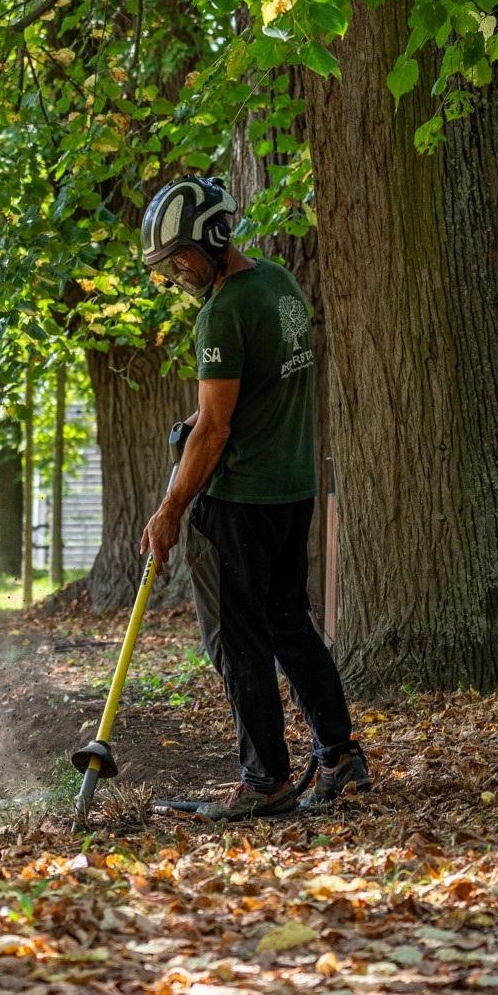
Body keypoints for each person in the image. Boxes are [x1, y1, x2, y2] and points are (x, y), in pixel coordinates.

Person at [136, 175, 369, 819]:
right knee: (291, 625)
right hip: (292, 492)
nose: (177, 269)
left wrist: (170, 510)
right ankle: (340, 757)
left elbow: (216, 428)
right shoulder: (279, 285)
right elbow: (244, 395)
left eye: (179, 255)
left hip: (236, 503)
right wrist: (200, 424)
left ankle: (265, 781)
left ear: (209, 242)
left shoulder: (223, 311)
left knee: (237, 642)